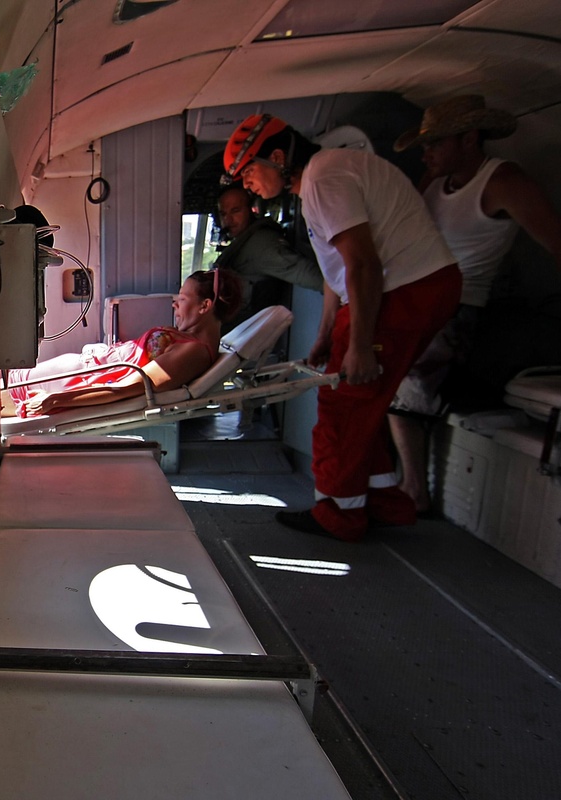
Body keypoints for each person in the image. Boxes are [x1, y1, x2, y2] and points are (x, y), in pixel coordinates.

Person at [224, 113, 461, 541]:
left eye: (249, 172)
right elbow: (337, 275)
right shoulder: (320, 180)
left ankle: (338, 515)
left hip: (403, 291)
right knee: (361, 405)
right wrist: (326, 335)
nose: (248, 184)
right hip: (404, 289)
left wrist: (361, 345)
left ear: (277, 157)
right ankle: (380, 502)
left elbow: (363, 264)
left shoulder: (324, 179)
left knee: (345, 406)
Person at [387, 95, 561, 513]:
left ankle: (414, 490)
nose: (426, 153)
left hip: (458, 309)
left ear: (468, 139)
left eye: (436, 143)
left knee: (405, 394)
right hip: (418, 301)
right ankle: (395, 484)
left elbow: (556, 242)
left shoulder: (503, 181)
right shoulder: (434, 182)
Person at [0, 268, 243, 417]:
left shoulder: (195, 352)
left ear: (205, 306)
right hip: (79, 371)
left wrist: (54, 399)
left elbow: (128, 387)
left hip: (73, 381)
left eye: (182, 299)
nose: (174, 304)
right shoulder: (190, 342)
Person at [213, 185, 322, 328]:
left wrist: (344, 291)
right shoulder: (243, 242)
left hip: (249, 332)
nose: (228, 220)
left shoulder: (262, 245)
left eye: (235, 211)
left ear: (252, 210)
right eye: (223, 214)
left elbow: (313, 277)